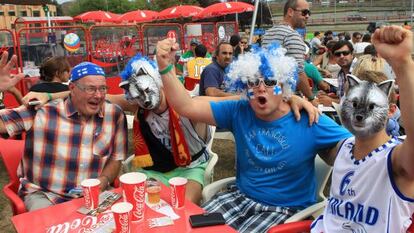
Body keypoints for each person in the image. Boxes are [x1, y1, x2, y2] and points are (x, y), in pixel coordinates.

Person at [156, 38, 351, 232]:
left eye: (269, 81)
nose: (260, 88)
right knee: (190, 228)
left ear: (283, 84)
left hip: (284, 210)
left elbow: (355, 150)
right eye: (252, 82)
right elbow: (186, 106)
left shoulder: (308, 118)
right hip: (238, 198)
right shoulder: (239, 110)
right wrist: (165, 67)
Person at [311, 25, 414, 232]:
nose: (359, 113)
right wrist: (296, 100)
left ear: (391, 110)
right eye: (354, 103)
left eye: (372, 106)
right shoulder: (342, 147)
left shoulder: (396, 161)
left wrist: (403, 64)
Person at [0, 62, 127, 211]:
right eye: (91, 89)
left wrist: (103, 181)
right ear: (72, 88)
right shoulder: (42, 111)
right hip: (46, 196)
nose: (98, 95)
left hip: (94, 194)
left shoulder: (114, 115)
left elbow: (116, 158)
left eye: (102, 88)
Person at [262, 0, 316, 105]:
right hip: (286, 100)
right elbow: (298, 73)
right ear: (290, 12)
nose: (307, 16)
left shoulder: (268, 34)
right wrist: (311, 98)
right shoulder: (292, 35)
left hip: (269, 95)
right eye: (304, 12)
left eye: (309, 13)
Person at [318, 40, 356, 107]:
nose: (341, 56)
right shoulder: (341, 73)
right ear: (334, 57)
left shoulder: (359, 70)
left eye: (345, 53)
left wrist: (331, 100)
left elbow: (355, 104)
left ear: (352, 54)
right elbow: (343, 98)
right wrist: (329, 97)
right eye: (338, 54)